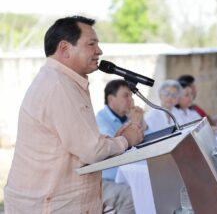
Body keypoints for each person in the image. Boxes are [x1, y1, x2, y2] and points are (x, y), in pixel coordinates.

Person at [4, 16, 144, 213]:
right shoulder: (57, 85)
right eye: (91, 44)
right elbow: (91, 150)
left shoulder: (64, 81)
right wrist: (126, 140)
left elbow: (78, 145)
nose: (99, 51)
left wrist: (115, 140)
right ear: (64, 49)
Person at [96, 79, 146, 214]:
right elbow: (117, 150)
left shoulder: (127, 118)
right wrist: (134, 124)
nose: (131, 100)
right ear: (111, 99)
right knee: (132, 197)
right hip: (105, 181)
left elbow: (149, 140)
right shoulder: (101, 121)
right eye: (126, 95)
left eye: (131, 95)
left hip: (129, 175)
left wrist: (141, 123)